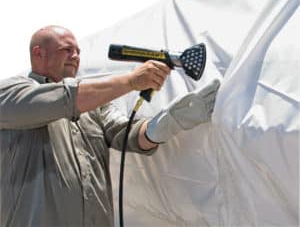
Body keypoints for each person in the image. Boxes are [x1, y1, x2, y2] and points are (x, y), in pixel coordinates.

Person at [0, 25, 220, 227]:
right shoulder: (11, 93)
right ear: (39, 53)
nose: (75, 56)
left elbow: (128, 135)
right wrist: (131, 81)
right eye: (66, 49)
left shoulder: (96, 107)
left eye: (78, 51)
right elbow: (62, 100)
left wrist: (171, 121)